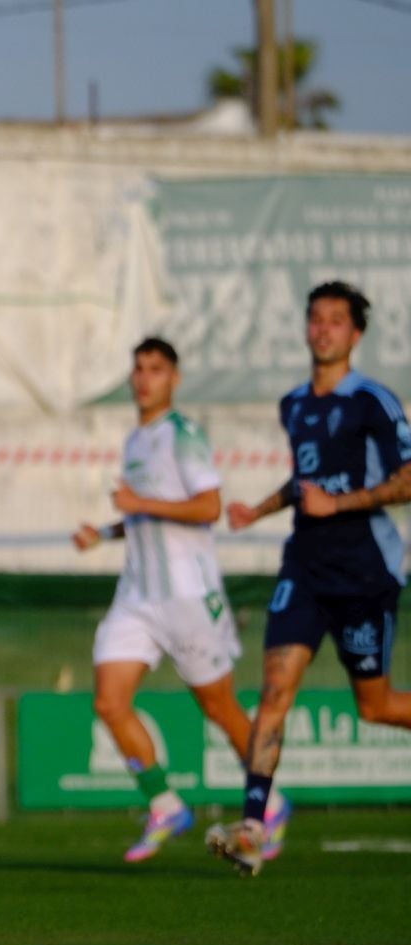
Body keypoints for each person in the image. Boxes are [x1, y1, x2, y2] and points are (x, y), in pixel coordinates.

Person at [209, 281, 411, 874]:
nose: (323, 330)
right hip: (304, 567)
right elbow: (305, 482)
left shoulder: (373, 400)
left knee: (376, 706)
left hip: (364, 571)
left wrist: (340, 504)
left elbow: (407, 479)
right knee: (275, 692)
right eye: (315, 319)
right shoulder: (293, 404)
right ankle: (254, 828)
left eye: (335, 321)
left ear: (356, 333)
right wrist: (259, 510)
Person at [72, 337, 289, 863]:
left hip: (188, 596)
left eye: (156, 369)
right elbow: (145, 513)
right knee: (109, 702)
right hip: (137, 595)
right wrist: (105, 531)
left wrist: (139, 502)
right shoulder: (136, 440)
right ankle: (165, 805)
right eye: (138, 368)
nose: (144, 378)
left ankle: (271, 802)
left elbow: (208, 507)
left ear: (175, 378)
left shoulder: (183, 435)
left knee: (219, 707)